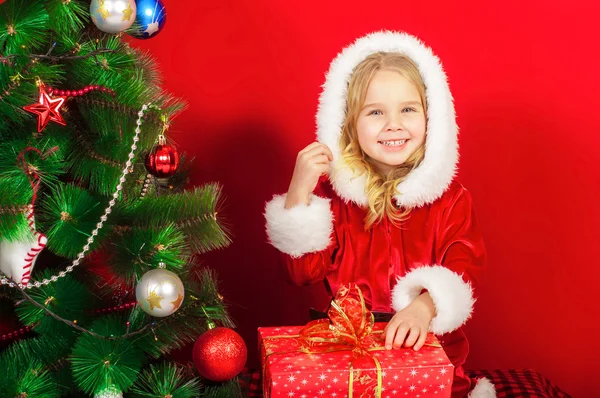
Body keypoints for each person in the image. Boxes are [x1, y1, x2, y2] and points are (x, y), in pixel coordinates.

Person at [264, 31, 495, 398]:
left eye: (407, 109)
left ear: (431, 117)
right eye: (375, 112)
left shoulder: (450, 199)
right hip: (349, 354)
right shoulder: (335, 197)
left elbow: (464, 265)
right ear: (349, 125)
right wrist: (299, 190)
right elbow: (301, 272)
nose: (393, 124)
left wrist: (424, 306)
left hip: (428, 353)